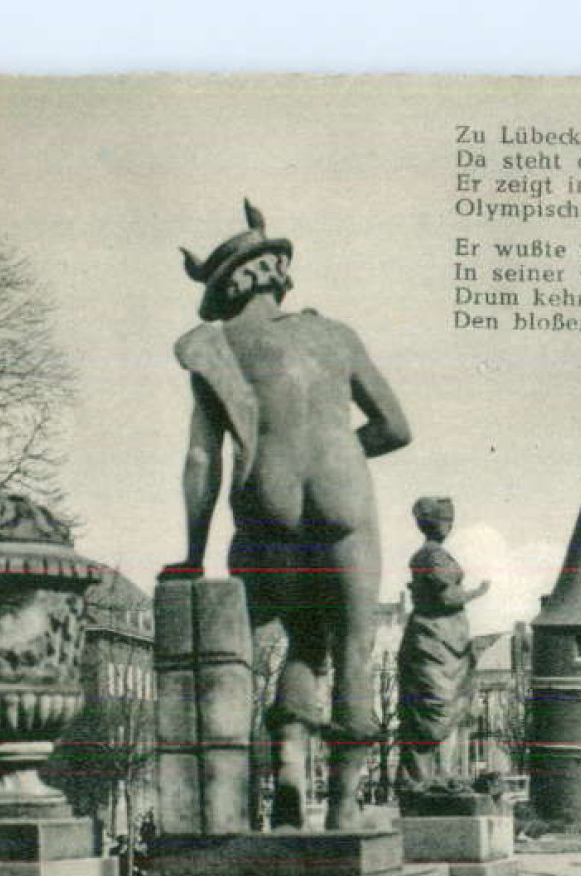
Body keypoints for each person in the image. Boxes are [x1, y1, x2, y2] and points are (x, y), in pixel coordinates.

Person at [165, 201, 411, 831]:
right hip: (343, 490)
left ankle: (288, 777)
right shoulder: (335, 335)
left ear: (222, 291)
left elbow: (202, 460)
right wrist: (340, 455)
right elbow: (395, 427)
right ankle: (346, 809)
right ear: (278, 274)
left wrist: (193, 554)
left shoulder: (214, 349)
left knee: (294, 643)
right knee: (349, 651)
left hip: (264, 501)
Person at [396, 497, 489, 786]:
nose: (450, 525)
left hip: (447, 640)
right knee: (434, 705)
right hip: (433, 639)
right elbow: (446, 597)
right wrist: (476, 593)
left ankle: (443, 775)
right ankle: (424, 778)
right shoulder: (429, 557)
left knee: (447, 705)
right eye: (446, 520)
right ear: (436, 524)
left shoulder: (435, 555)